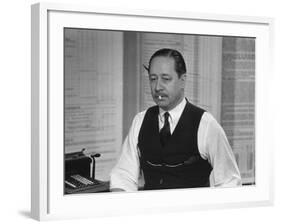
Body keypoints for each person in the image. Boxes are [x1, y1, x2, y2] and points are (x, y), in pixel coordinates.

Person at [110, 48, 241, 192]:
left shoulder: (206, 124)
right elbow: (123, 175)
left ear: (182, 80)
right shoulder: (140, 121)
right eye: (153, 79)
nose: (158, 87)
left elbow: (229, 183)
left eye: (166, 79)